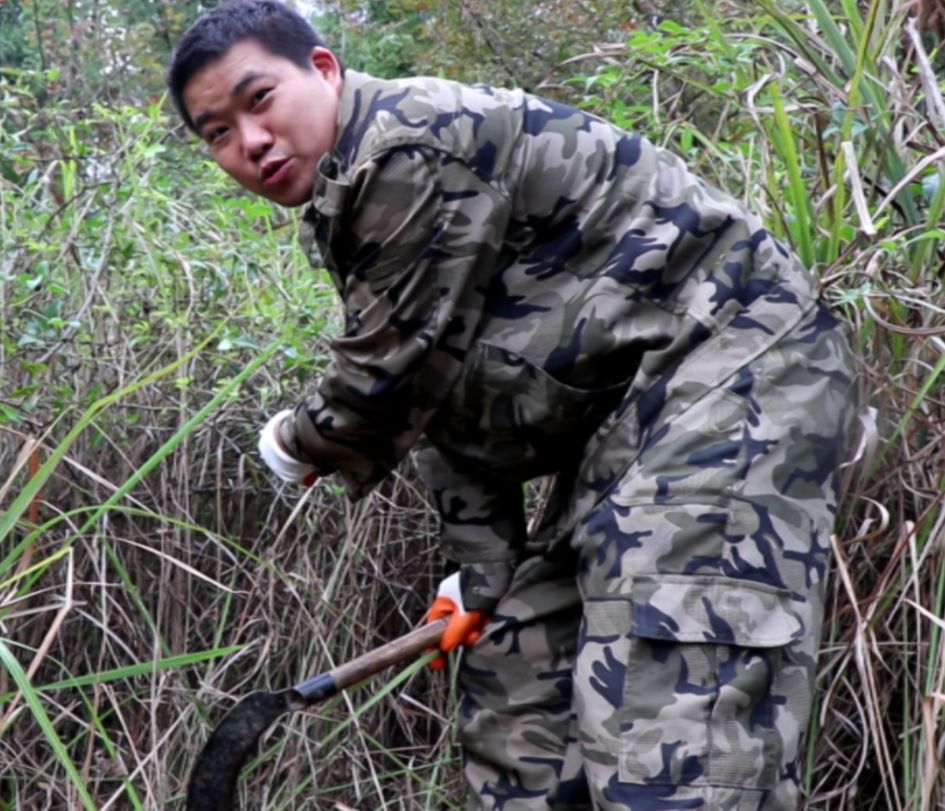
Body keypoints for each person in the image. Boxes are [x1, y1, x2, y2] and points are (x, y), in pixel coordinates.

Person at [168, 2, 856, 809]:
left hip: (736, 370)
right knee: (517, 662)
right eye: (216, 132)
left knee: (669, 715)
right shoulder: (348, 200)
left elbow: (382, 382)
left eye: (259, 100)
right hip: (630, 421)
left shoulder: (403, 147)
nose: (248, 142)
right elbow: (441, 390)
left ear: (323, 70)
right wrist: (484, 573)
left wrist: (294, 442)